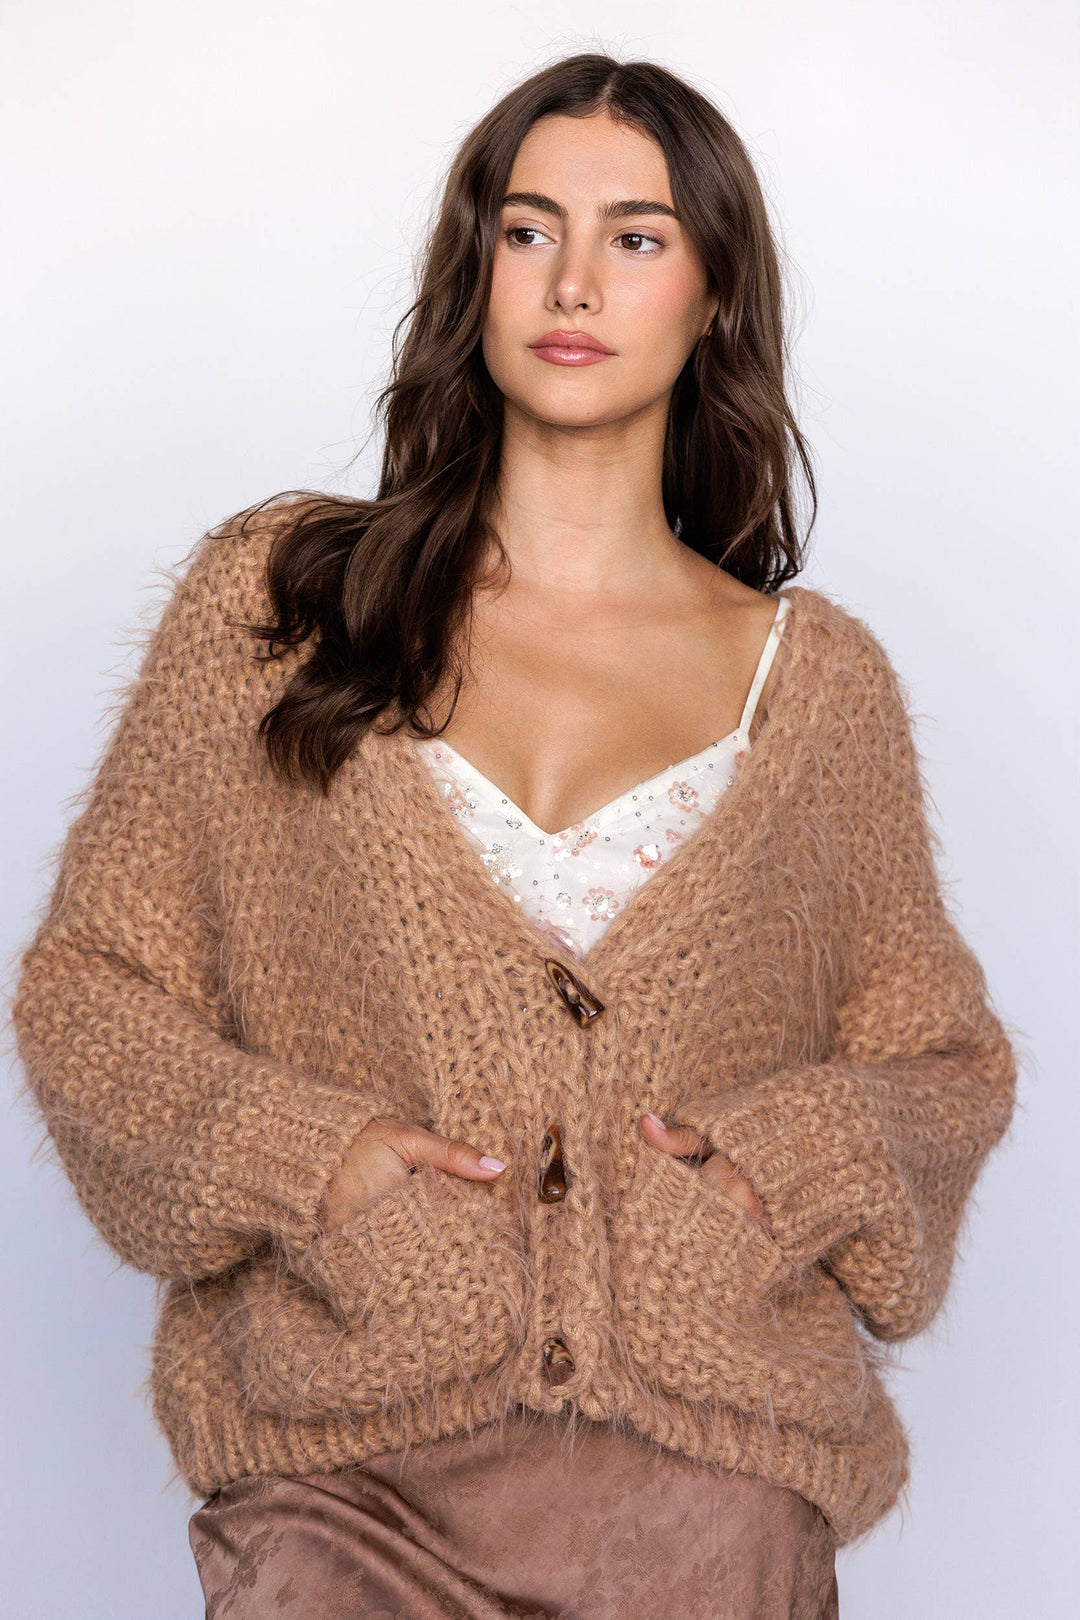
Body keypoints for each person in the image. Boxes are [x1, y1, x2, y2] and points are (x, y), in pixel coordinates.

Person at [10, 52, 1018, 1620]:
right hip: (345, 1473)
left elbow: (940, 1061)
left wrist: (789, 1163)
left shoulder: (817, 689)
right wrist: (312, 1163)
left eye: (636, 237)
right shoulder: (281, 607)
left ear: (713, 296)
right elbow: (90, 992)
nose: (572, 281)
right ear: (473, 270)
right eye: (528, 228)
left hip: (714, 1492)